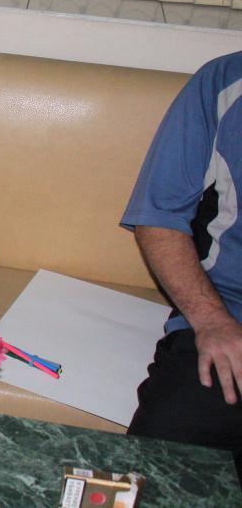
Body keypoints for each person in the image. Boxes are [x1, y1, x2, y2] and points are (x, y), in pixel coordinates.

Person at [121, 50, 241, 476]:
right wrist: (212, 321)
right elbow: (159, 217)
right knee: (152, 477)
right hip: (228, 321)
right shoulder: (224, 82)